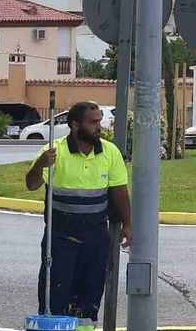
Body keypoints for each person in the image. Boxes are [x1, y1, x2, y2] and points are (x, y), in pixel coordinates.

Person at [24, 101, 133, 326]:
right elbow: (31, 184)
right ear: (75, 125)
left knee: (90, 294)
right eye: (93, 122)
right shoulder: (54, 152)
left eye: (99, 121)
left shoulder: (109, 152)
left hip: (95, 235)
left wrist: (127, 224)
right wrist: (40, 165)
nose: (98, 126)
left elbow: (120, 192)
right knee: (56, 292)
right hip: (60, 236)